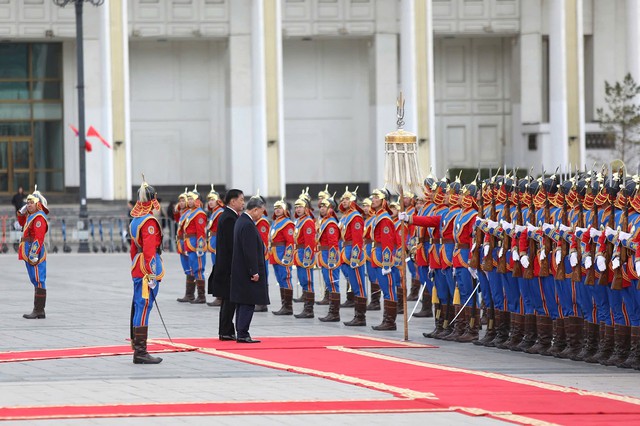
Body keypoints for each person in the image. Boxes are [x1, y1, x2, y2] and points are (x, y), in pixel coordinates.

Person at [128, 178, 165, 364]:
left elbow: (133, 249)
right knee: (144, 306)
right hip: (146, 269)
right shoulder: (149, 221)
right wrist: (150, 275)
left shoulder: (136, 220)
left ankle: (138, 347)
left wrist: (136, 265)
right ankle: (140, 352)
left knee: (139, 306)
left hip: (137, 265)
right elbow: (150, 251)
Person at [230, 195, 270, 343]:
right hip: (247, 271)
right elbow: (249, 251)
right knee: (247, 302)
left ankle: (241, 331)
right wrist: (254, 271)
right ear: (255, 210)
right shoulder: (247, 224)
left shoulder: (241, 221)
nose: (262, 215)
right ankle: (243, 333)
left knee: (242, 302)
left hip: (240, 270)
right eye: (261, 212)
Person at [212, 189, 245, 341]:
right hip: (229, 266)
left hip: (227, 265)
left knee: (228, 299)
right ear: (233, 201)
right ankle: (225, 330)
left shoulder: (229, 216)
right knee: (229, 299)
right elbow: (233, 245)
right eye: (241, 200)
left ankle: (226, 329)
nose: (243, 203)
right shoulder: (230, 218)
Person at [17, 186, 49, 319]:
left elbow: (39, 237)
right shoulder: (31, 216)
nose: (29, 205)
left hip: (34, 251)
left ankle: (39, 310)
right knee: (34, 279)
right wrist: (22, 211)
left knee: (39, 279)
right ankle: (38, 310)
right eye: (27, 203)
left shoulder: (39, 218)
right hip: (28, 249)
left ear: (38, 204)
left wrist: (34, 253)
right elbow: (21, 222)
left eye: (31, 203)